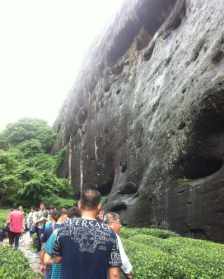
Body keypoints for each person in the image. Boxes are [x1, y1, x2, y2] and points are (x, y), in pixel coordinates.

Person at [51, 189, 122, 279]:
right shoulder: (110, 233)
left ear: (79, 204)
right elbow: (114, 274)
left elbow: (56, 259)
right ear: (99, 206)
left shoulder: (63, 227)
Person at [43, 206, 81, 279]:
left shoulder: (57, 233)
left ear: (67, 218)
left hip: (58, 275)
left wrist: (57, 260)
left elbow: (46, 260)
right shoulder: (86, 236)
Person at [104, 212, 133, 279]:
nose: (120, 225)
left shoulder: (99, 233)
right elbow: (122, 259)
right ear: (112, 223)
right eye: (118, 222)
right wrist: (129, 273)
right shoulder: (113, 236)